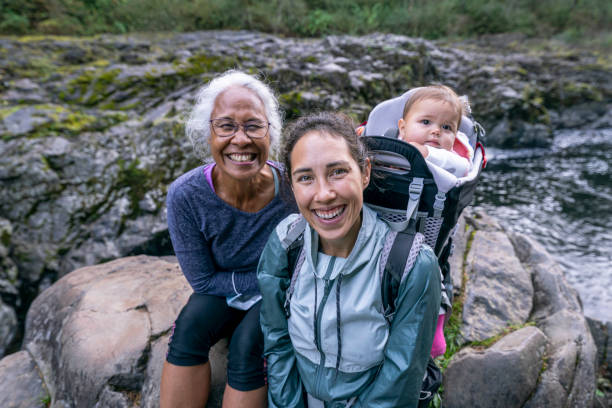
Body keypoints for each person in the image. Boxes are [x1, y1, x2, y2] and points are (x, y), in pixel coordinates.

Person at [258, 112, 441, 407]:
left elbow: (401, 377)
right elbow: (277, 342)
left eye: (338, 172)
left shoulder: (410, 264)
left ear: (365, 172)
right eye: (305, 177)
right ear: (292, 186)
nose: (324, 194)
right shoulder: (285, 244)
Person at [160, 70, 296, 408]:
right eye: (226, 126)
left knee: (248, 344)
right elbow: (203, 279)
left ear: (270, 132)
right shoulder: (186, 195)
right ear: (208, 133)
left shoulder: (295, 187)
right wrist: (256, 282)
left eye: (253, 126)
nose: (241, 140)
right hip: (222, 288)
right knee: (189, 328)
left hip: (282, 290)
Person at [398, 85, 474, 178]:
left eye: (446, 127)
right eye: (426, 122)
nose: (436, 131)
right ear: (403, 129)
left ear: (455, 136)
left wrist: (427, 153)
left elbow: (463, 168)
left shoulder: (453, 158)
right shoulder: (393, 145)